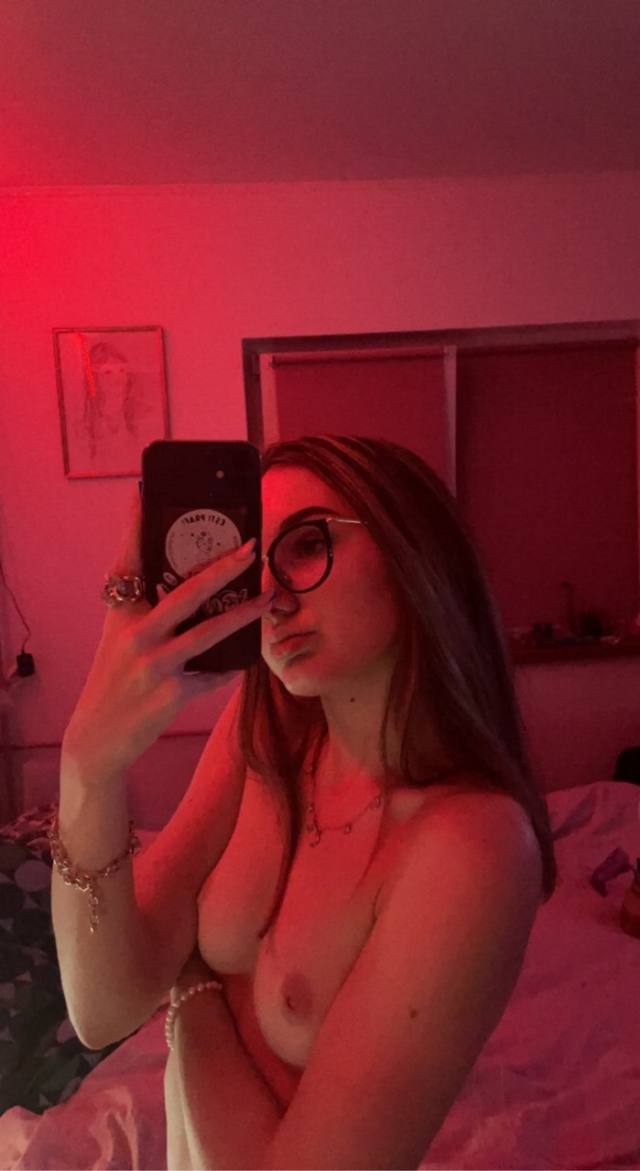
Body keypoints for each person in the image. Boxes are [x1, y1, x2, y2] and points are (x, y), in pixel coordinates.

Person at [50, 434, 557, 1170]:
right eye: (256, 563)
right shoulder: (267, 727)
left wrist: (191, 985)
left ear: (414, 552)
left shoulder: (472, 847)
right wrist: (87, 769)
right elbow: (101, 1008)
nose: (272, 599)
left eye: (308, 545)